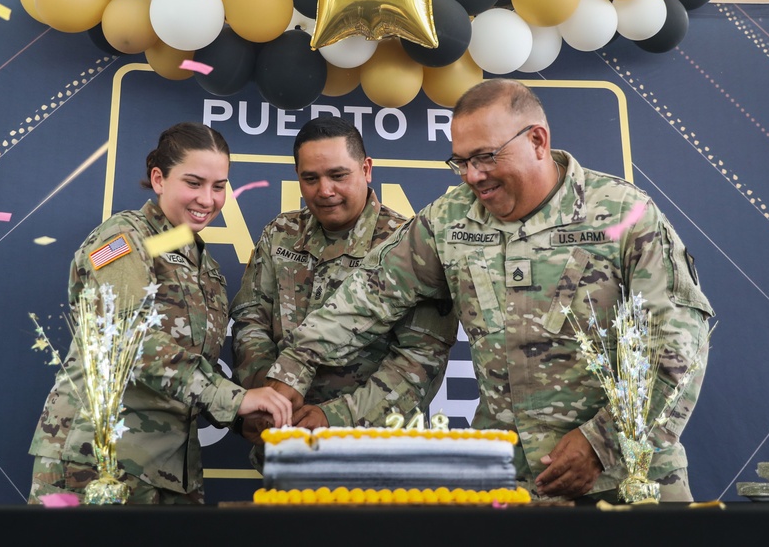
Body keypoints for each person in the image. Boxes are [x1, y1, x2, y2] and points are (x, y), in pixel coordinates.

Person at [265, 79, 714, 501]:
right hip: (511, 487)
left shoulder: (625, 214)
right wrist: (292, 370)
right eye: (461, 161)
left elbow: (676, 353)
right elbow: (367, 295)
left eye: (486, 157)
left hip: (627, 483)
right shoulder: (450, 219)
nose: (472, 176)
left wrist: (603, 444)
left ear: (537, 141)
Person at [28, 122, 292, 505]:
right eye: (194, 182)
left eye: (219, 186)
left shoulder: (206, 268)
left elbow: (194, 370)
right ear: (159, 179)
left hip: (171, 476)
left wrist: (245, 417)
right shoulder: (120, 240)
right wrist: (236, 401)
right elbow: (130, 340)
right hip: (98, 465)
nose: (208, 198)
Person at [230, 116, 456, 462]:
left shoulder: (409, 246)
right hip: (283, 452)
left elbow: (420, 361)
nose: (325, 190)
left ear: (366, 169)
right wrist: (266, 391)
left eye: (338, 175)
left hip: (372, 457)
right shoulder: (280, 233)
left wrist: (334, 418)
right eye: (311, 178)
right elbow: (250, 317)